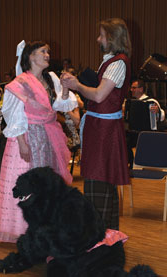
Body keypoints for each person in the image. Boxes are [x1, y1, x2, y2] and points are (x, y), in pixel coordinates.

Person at [0, 40, 78, 243]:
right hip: (28, 136)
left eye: (48, 51)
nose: (47, 55)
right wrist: (22, 143)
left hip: (48, 135)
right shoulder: (21, 82)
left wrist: (66, 87)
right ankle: (28, 230)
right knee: (29, 181)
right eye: (43, 51)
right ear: (31, 56)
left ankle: (48, 227)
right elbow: (14, 114)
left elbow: (60, 103)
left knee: (48, 181)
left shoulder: (50, 78)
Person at [61, 18, 132, 230]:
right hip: (100, 129)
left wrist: (77, 85)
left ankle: (100, 241)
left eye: (101, 35)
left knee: (97, 185)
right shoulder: (111, 60)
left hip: (104, 132)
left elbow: (100, 96)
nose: (98, 38)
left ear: (111, 38)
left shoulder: (118, 62)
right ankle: (107, 239)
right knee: (102, 187)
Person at [125, 79, 165, 168]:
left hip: (147, 131)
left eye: (134, 88)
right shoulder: (130, 102)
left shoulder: (151, 102)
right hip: (133, 131)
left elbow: (161, 117)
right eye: (131, 88)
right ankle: (130, 164)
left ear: (141, 89)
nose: (131, 90)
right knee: (123, 140)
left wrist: (158, 111)